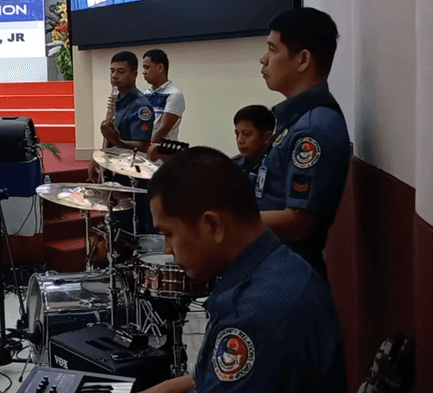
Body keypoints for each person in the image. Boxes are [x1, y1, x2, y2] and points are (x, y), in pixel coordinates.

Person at [143, 146, 347, 393]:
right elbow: (204, 378)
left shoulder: (251, 316)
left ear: (212, 225)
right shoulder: (279, 265)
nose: (167, 249)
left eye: (169, 234)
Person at [256, 7, 351, 281]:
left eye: (272, 50)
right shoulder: (295, 119)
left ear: (302, 60)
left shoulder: (314, 128)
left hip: (289, 275)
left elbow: (298, 223)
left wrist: (224, 220)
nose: (263, 60)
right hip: (273, 264)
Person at [90, 50, 155, 233]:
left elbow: (143, 146)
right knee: (114, 225)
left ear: (134, 74)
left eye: (120, 71)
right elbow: (108, 135)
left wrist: (117, 140)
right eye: (112, 71)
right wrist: (96, 157)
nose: (114, 76)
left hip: (132, 178)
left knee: (130, 229)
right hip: (114, 174)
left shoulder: (140, 106)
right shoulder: (117, 100)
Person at [142, 49, 185, 143]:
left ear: (160, 67)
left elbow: (162, 129)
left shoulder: (174, 94)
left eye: (147, 67)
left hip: (159, 153)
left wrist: (145, 148)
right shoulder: (145, 94)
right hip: (140, 150)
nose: (144, 72)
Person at [231, 104, 275, 177]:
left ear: (267, 137)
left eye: (246, 134)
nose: (240, 140)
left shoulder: (278, 168)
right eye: (237, 134)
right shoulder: (231, 167)